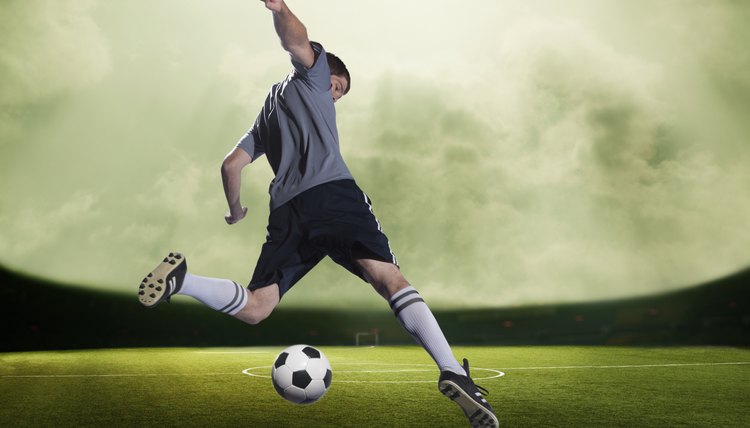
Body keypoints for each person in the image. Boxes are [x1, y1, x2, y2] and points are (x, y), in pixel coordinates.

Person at [137, 1, 498, 426]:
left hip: (287, 212)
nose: (336, 97)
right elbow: (295, 40)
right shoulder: (312, 76)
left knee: (256, 308)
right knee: (390, 279)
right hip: (333, 196)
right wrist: (279, 7)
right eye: (339, 88)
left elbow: (231, 165)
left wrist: (235, 211)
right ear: (328, 74)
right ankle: (453, 371)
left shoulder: (265, 117)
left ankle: (184, 280)